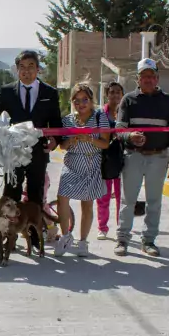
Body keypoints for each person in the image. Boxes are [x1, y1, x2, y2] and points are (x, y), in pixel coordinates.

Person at [114, 58, 169, 257]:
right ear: (138, 79)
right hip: (134, 156)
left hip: (158, 157)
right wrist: (130, 137)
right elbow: (119, 130)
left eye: (152, 76)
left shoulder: (167, 100)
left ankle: (149, 240)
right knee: (128, 200)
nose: (148, 80)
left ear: (157, 78)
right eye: (144, 76)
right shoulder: (129, 100)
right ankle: (122, 239)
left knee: (154, 201)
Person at [0, 50, 62, 206]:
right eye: (22, 66)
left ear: (38, 68)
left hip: (38, 151)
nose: (26, 70)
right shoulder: (6, 92)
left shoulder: (50, 93)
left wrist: (55, 140)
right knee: (11, 194)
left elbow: (56, 122)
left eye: (31, 66)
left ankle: (34, 230)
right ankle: (10, 229)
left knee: (35, 196)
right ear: (17, 69)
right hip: (13, 151)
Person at [53, 82, 111, 257]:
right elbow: (62, 145)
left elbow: (105, 143)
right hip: (72, 163)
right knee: (62, 198)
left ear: (91, 100)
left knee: (87, 204)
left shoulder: (100, 118)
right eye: (76, 100)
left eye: (84, 99)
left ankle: (83, 241)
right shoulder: (68, 120)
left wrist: (89, 139)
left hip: (91, 163)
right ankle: (65, 236)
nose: (81, 104)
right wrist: (71, 141)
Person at [96, 81, 124, 240]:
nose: (115, 95)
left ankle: (122, 226)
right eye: (112, 92)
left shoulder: (125, 112)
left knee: (122, 196)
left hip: (123, 159)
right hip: (105, 159)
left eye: (118, 92)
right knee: (103, 196)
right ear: (107, 95)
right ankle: (102, 227)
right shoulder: (101, 114)